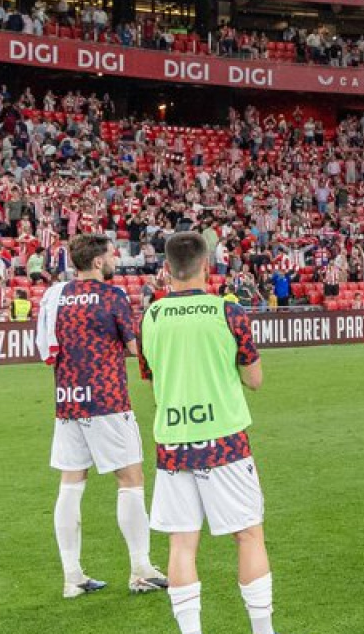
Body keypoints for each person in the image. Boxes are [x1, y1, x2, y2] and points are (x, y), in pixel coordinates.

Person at [140, 231, 279, 634]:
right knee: (248, 535)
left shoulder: (151, 316)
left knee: (182, 543)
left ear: (167, 269)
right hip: (224, 441)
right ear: (206, 265)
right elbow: (254, 380)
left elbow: (151, 376)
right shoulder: (227, 312)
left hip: (173, 442)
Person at [38, 233, 167, 598]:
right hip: (108, 400)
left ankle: (72, 576)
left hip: (68, 400)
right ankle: (140, 569)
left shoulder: (56, 296)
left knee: (70, 483)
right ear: (97, 262)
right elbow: (134, 348)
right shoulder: (113, 296)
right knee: (130, 480)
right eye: (111, 255)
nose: (114, 260)